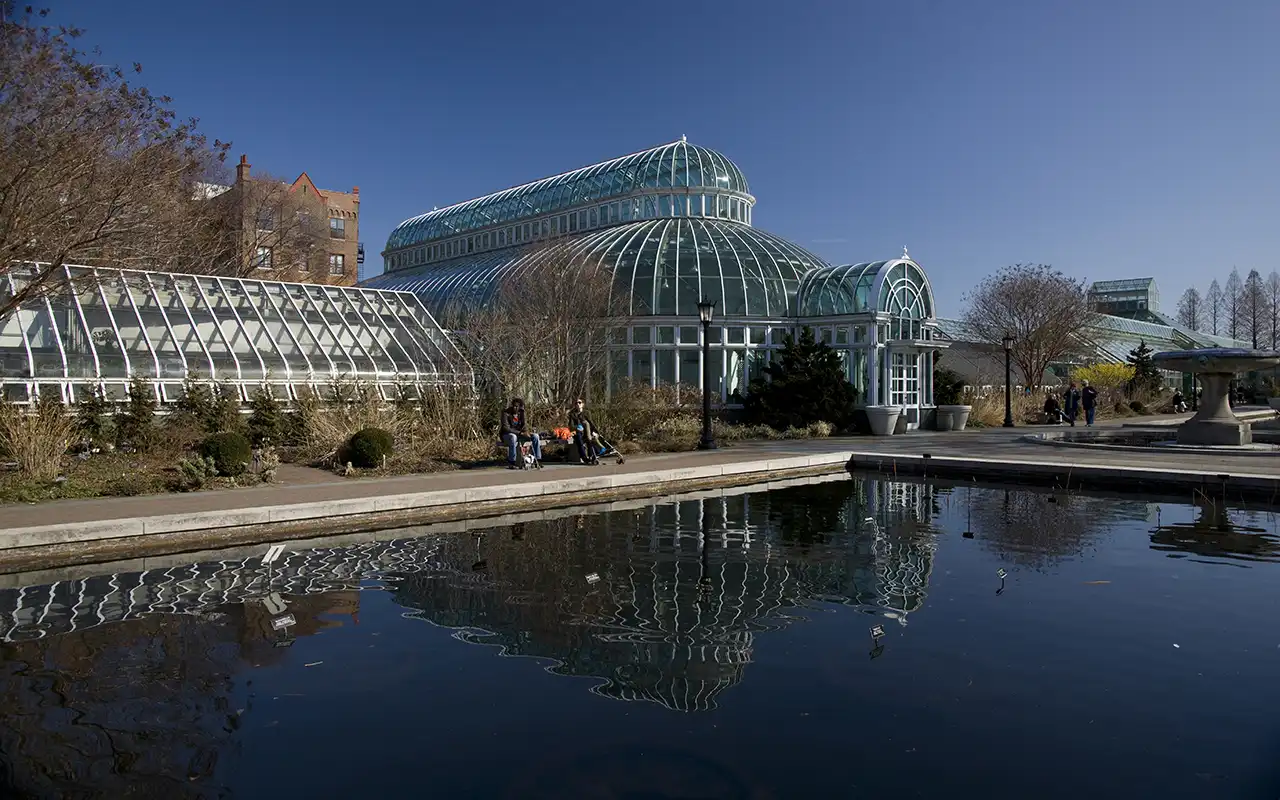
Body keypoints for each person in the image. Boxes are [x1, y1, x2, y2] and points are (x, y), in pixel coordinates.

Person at [500, 398, 541, 469]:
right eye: (513, 406)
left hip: (519, 434)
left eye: (517, 406)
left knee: (535, 436)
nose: (514, 408)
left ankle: (537, 459)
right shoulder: (506, 413)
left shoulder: (521, 412)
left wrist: (526, 432)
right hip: (507, 435)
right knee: (513, 437)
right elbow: (506, 428)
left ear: (520, 407)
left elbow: (524, 425)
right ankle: (512, 462)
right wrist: (520, 433)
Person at [568, 398, 601, 465]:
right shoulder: (572, 414)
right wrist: (577, 428)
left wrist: (595, 432)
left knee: (590, 439)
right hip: (578, 432)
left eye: (579, 402)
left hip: (587, 431)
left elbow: (591, 423)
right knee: (579, 440)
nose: (578, 404)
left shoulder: (586, 413)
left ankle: (592, 456)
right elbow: (571, 426)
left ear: (582, 404)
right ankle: (584, 458)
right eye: (576, 403)